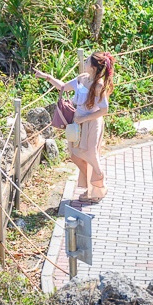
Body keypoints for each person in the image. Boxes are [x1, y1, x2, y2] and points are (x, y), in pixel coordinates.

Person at [34, 51, 114, 202]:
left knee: (90, 153)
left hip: (92, 123)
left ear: (93, 67)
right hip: (78, 122)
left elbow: (104, 110)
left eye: (87, 61)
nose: (84, 62)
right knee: (75, 154)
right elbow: (63, 86)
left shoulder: (98, 85)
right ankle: (93, 186)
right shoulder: (82, 78)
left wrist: (85, 118)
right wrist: (47, 76)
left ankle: (98, 182)